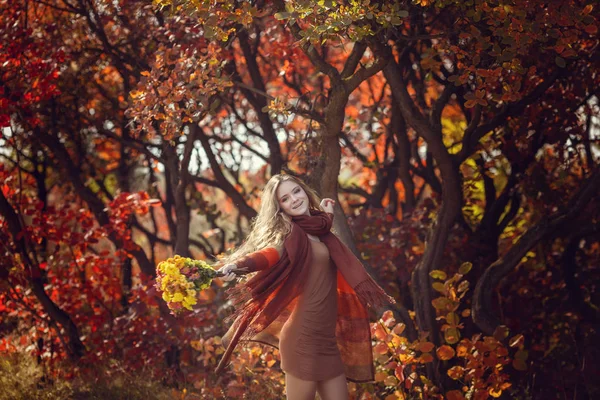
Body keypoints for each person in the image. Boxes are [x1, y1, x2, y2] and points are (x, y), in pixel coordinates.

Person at [215, 174, 395, 400]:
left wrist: (326, 213)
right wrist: (239, 264)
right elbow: (269, 254)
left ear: (305, 191)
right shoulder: (291, 235)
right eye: (285, 199)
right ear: (280, 207)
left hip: (326, 340)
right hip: (302, 339)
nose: (294, 199)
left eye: (296, 192)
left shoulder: (322, 229)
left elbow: (320, 227)